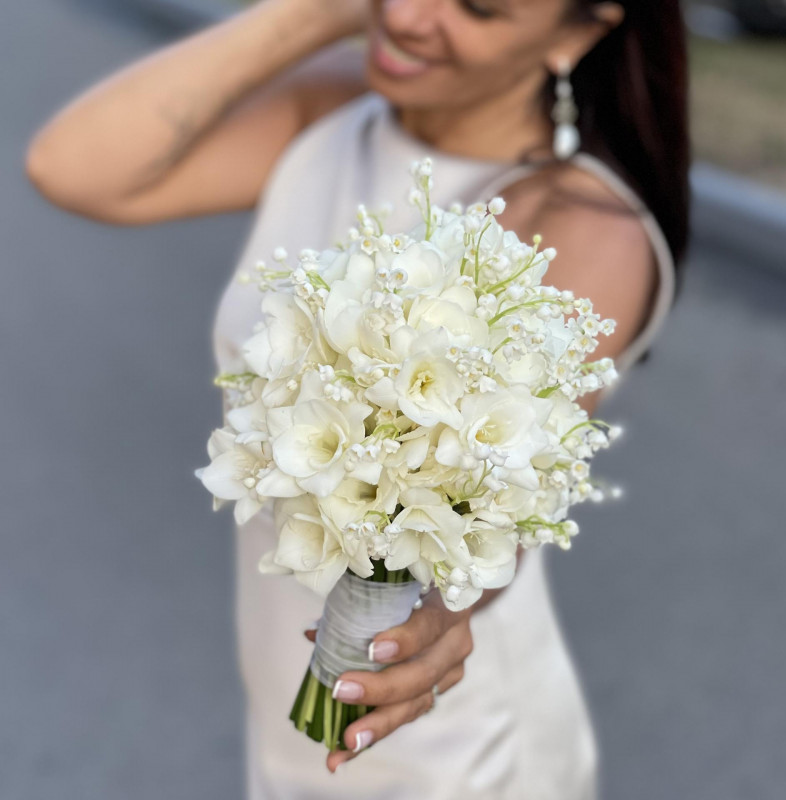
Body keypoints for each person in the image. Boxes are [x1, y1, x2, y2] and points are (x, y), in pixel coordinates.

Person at [25, 0, 689, 796]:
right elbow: (71, 167)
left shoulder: (587, 229)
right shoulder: (334, 115)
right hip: (284, 669)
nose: (410, 15)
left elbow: (500, 500)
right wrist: (314, 12)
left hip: (436, 723)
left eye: (477, 6)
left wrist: (448, 611)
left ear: (576, 33)